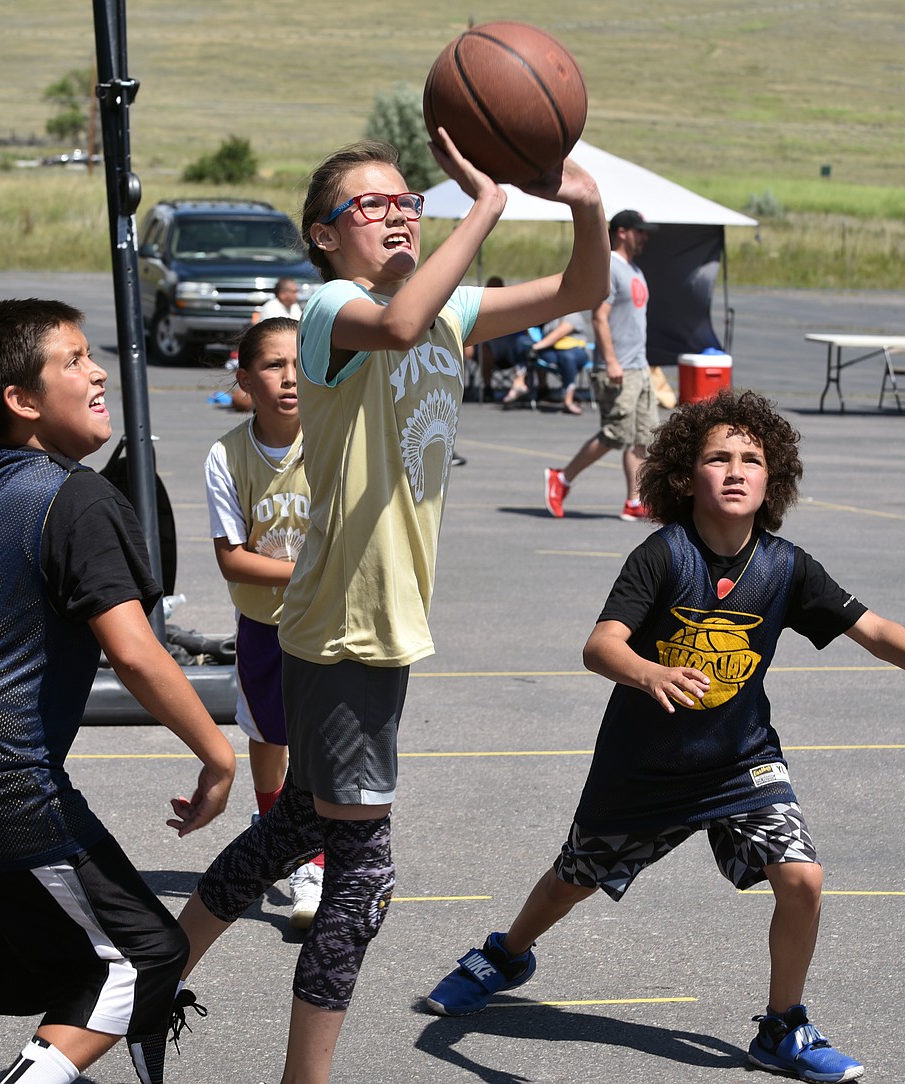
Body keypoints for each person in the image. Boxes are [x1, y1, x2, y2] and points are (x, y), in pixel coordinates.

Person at [170, 133, 607, 1084]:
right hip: (347, 624)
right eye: (373, 204)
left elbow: (579, 294)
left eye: (409, 198)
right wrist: (484, 206)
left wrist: (582, 202)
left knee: (296, 833)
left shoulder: (442, 306)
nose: (401, 210)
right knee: (363, 878)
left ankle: (154, 976)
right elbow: (401, 325)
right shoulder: (328, 307)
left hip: (373, 623)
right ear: (323, 236)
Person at [426, 389, 905, 1084]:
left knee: (803, 877)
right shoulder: (663, 555)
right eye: (717, 456)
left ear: (770, 481)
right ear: (682, 476)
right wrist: (646, 671)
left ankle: (783, 1028)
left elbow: (869, 627)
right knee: (573, 878)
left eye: (751, 459)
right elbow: (600, 646)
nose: (734, 469)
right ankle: (507, 954)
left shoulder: (786, 567)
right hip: (645, 768)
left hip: (739, 760)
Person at [0, 299, 237, 1084]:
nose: (98, 369)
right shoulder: (77, 500)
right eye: (73, 360)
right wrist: (217, 755)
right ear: (23, 400)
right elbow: (136, 654)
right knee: (142, 957)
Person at [202, 315, 324, 929]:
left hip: (328, 620)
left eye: (298, 361)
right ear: (245, 378)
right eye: (273, 365)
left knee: (320, 741)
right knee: (269, 737)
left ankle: (314, 859)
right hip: (264, 626)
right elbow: (233, 559)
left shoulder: (335, 436)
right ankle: (278, 831)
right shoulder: (227, 455)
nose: (289, 376)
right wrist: (308, 570)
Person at [544, 209, 655, 520]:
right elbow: (599, 317)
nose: (644, 237)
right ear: (621, 232)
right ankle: (562, 478)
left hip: (639, 367)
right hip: (617, 368)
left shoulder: (635, 269)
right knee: (616, 433)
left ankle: (634, 500)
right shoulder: (610, 268)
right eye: (640, 231)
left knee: (642, 436)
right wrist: (611, 361)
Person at [511, 311, 592, 414]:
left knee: (567, 357)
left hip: (575, 352)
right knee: (521, 341)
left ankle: (568, 399)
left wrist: (536, 347)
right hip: (553, 352)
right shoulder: (547, 318)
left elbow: (558, 334)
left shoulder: (572, 314)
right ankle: (520, 381)